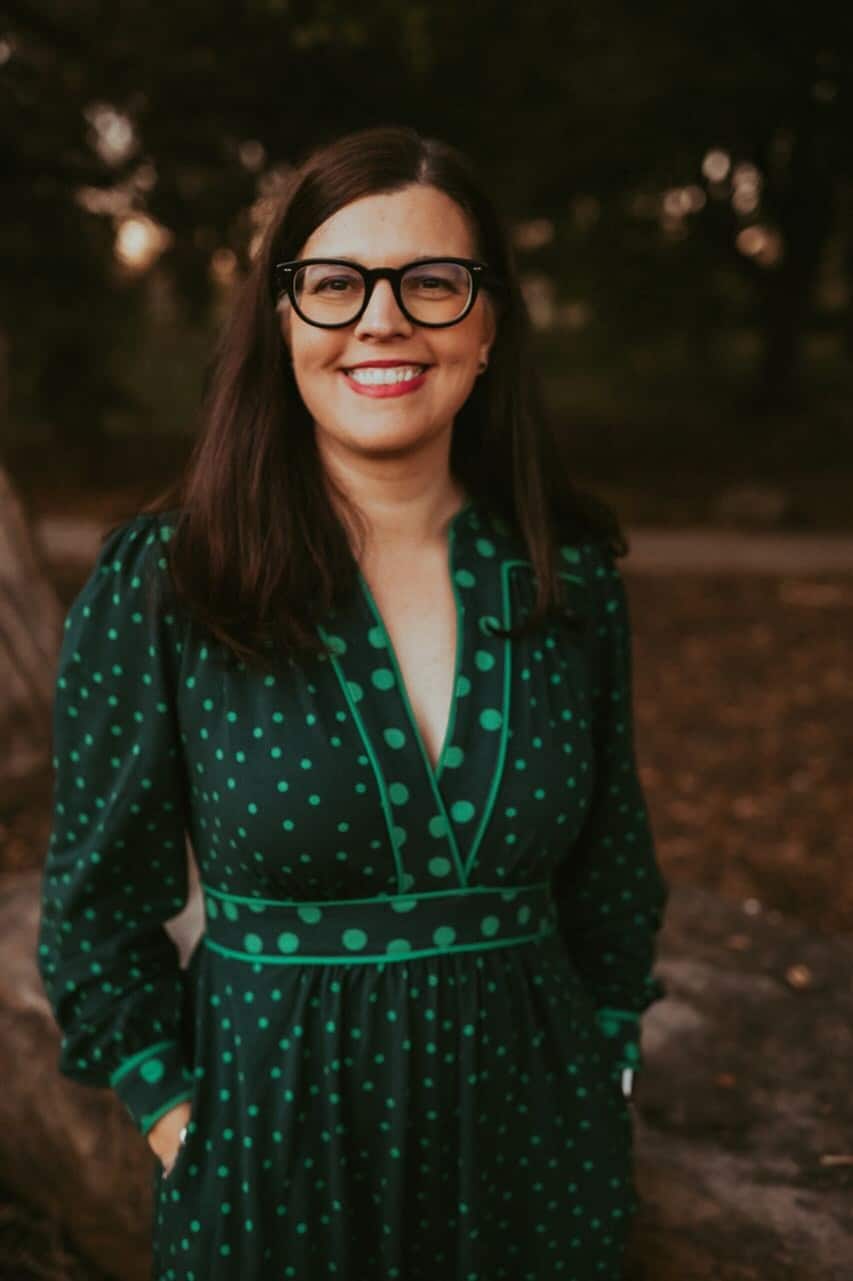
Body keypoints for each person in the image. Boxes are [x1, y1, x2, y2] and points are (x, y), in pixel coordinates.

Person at [36, 123, 669, 1281]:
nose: (383, 318)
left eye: (433, 282)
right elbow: (96, 905)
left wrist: (609, 1060)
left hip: (540, 1177)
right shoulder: (170, 581)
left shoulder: (566, 578)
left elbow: (612, 872)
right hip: (271, 1179)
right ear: (283, 321)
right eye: (334, 283)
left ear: (489, 326)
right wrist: (181, 1124)